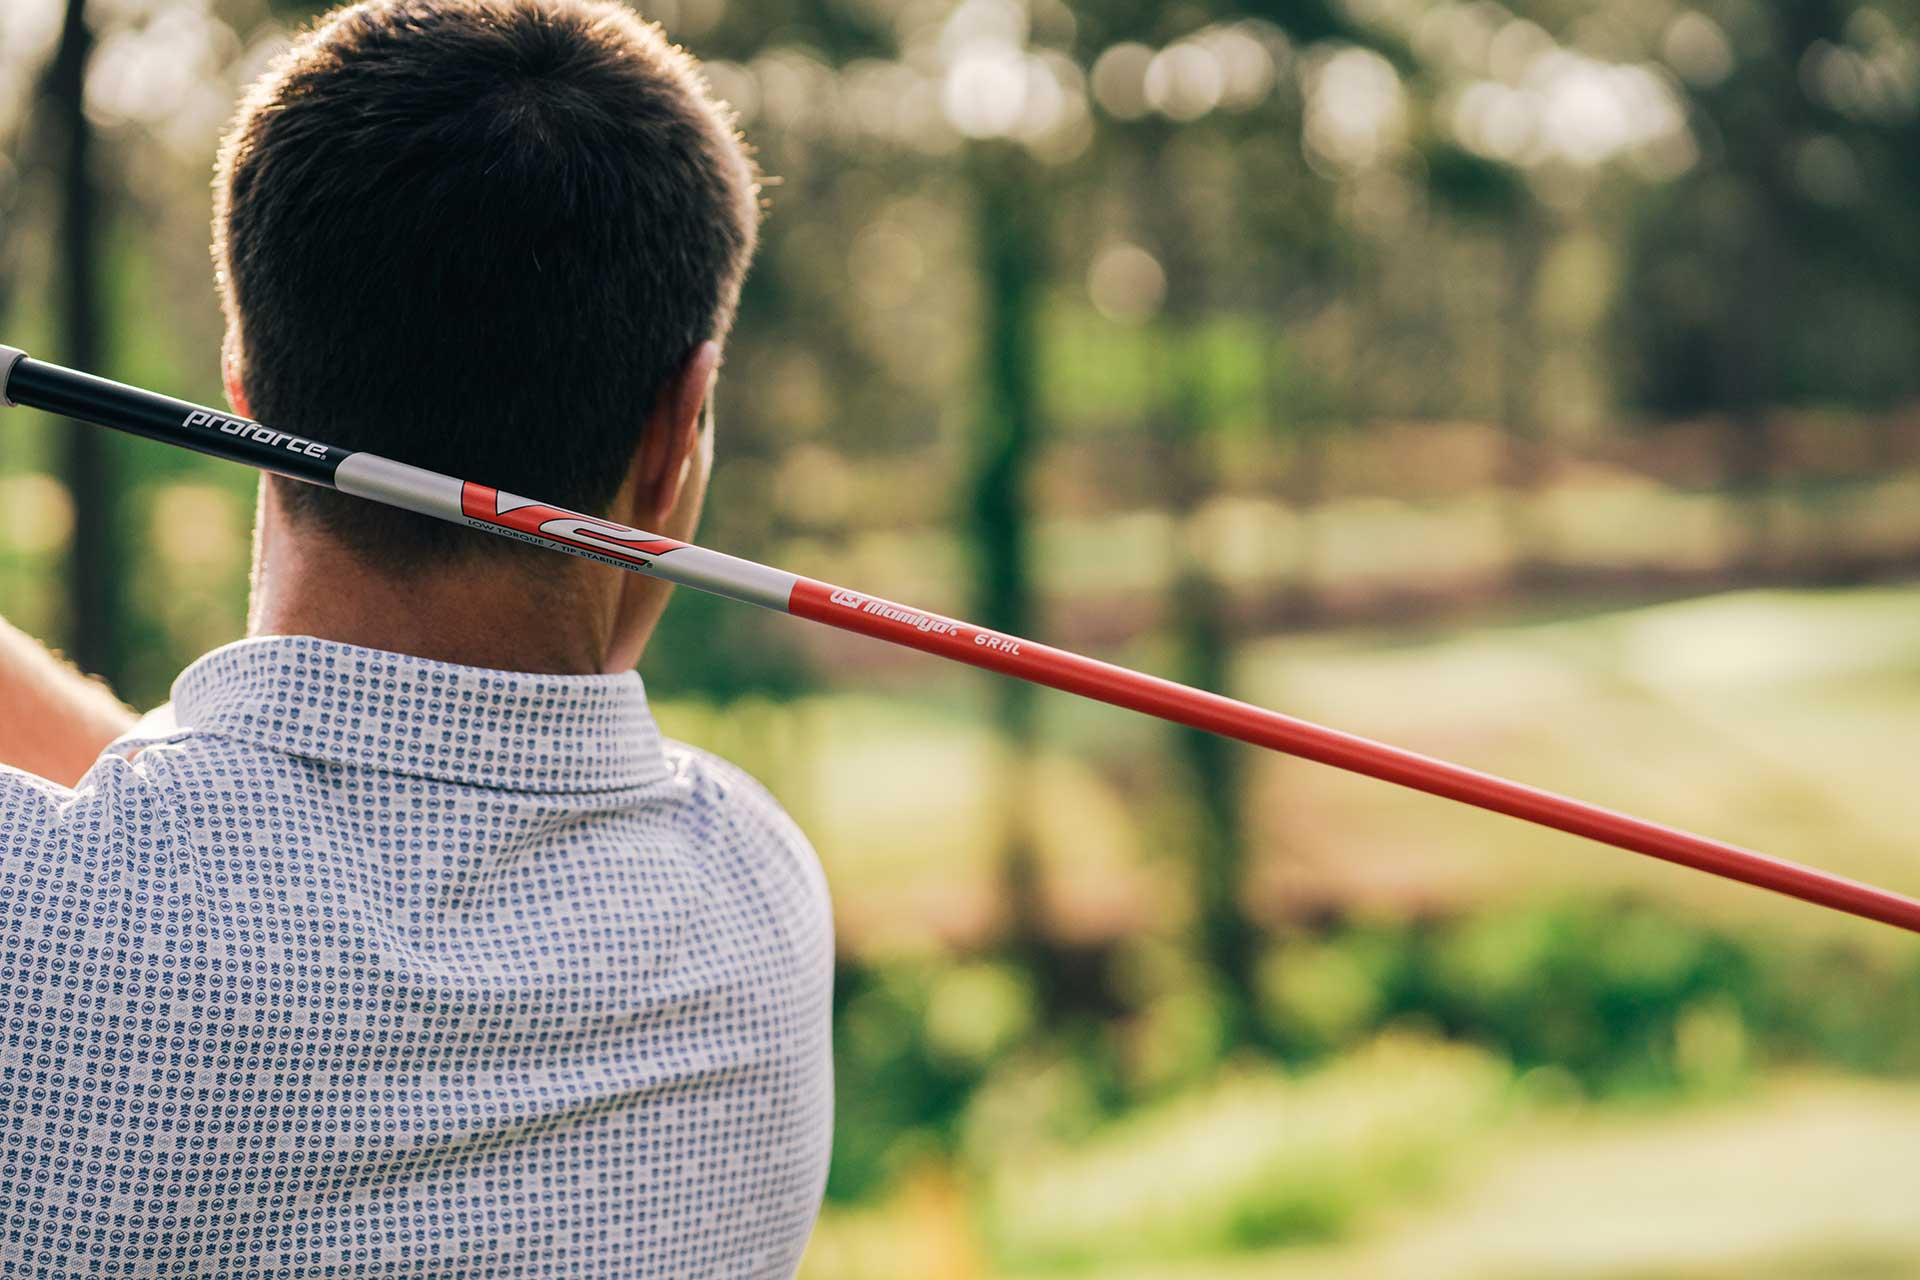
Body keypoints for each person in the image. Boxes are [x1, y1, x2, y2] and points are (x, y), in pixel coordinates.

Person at [0, 1, 834, 1275]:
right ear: (680, 423)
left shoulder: (57, 909)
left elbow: (211, 880)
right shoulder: (757, 898)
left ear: (243, 381)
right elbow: (282, 870)